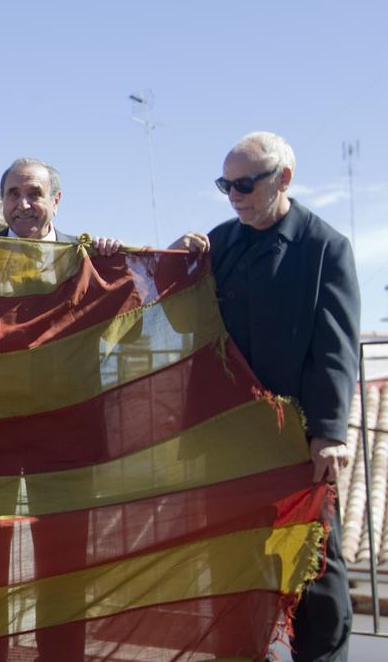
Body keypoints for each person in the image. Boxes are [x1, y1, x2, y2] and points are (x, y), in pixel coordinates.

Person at [174, 132, 357, 661]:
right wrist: (180, 264)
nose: (234, 195)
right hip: (226, 444)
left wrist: (328, 433)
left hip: (295, 445)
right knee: (232, 567)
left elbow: (335, 349)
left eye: (245, 184)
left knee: (315, 570)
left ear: (284, 179)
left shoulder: (326, 247)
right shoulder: (218, 244)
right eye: (225, 185)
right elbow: (182, 324)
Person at [0, 157, 121, 255]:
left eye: (34, 194)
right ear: (3, 199)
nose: (23, 205)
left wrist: (126, 263)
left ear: (55, 201)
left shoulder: (84, 257)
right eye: (14, 194)